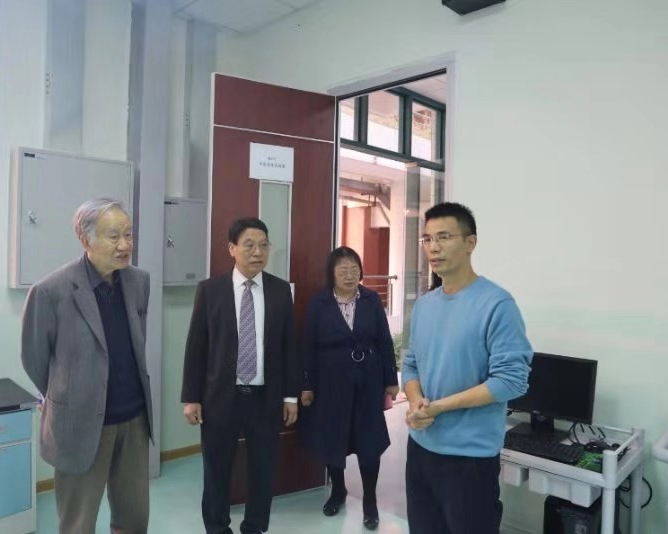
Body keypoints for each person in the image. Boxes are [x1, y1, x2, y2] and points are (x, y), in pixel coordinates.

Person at [20, 198, 153, 534]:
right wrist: (64, 394)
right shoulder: (50, 291)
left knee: (135, 520)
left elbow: (136, 344)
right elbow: (34, 358)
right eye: (114, 236)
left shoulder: (139, 282)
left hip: (134, 420)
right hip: (79, 424)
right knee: (77, 524)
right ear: (85, 238)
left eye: (128, 234)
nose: (124, 245)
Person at [402, 202, 532, 534]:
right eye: (428, 239)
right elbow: (411, 365)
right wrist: (416, 402)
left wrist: (440, 407)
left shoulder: (497, 304)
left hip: (469, 459)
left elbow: (512, 380)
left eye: (444, 237)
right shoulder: (424, 306)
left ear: (470, 242)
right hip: (420, 450)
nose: (433, 247)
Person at [181, 217, 301, 534]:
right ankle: (217, 528)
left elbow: (289, 347)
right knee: (216, 470)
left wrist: (290, 395)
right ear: (232, 248)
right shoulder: (210, 290)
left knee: (263, 470)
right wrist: (191, 398)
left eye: (263, 245)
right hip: (221, 397)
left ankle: (254, 527)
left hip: (265, 397)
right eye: (249, 245)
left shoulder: (280, 291)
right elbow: (196, 348)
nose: (257, 252)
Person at [299, 246, 398, 530]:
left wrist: (391, 380)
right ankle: (338, 491)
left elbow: (384, 341)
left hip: (368, 382)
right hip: (330, 385)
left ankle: (370, 501)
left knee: (369, 441)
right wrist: (306, 385)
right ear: (331, 273)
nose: (349, 274)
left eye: (354, 269)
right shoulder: (319, 304)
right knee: (333, 439)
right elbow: (307, 347)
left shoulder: (371, 300)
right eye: (343, 269)